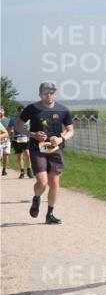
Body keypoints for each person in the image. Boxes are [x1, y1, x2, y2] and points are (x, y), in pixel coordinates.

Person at [15, 83, 75, 224]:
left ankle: (50, 215)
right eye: (46, 92)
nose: (49, 95)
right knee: (42, 182)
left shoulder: (63, 110)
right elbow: (18, 126)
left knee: (54, 182)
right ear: (40, 94)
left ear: (55, 94)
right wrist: (33, 134)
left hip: (55, 149)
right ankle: (36, 199)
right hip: (37, 149)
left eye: (52, 92)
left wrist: (60, 138)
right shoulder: (32, 109)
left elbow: (71, 130)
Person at [8, 104, 33, 179]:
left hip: (26, 138)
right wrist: (11, 131)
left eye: (23, 111)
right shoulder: (13, 119)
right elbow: (10, 129)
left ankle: (29, 170)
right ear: (18, 112)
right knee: (19, 156)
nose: (22, 113)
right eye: (20, 112)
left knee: (28, 154)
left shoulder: (28, 119)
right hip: (17, 139)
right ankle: (22, 171)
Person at [0, 107, 9, 176]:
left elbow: (8, 131)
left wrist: (6, 137)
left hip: (6, 140)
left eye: (2, 110)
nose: (0, 112)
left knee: (6, 155)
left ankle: (4, 169)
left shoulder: (8, 120)